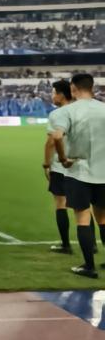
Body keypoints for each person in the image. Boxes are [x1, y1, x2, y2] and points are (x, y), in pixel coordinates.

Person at [52, 72, 105, 278]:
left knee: (83, 218)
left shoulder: (67, 111)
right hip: (103, 171)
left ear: (73, 88)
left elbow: (57, 136)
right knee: (102, 218)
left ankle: (89, 266)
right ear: (92, 88)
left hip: (78, 171)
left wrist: (63, 158)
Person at [44, 80, 74, 254]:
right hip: (80, 164)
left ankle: (65, 245)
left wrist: (46, 163)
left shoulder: (57, 114)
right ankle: (91, 245)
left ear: (61, 94)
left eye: (53, 92)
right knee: (83, 207)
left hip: (60, 165)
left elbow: (51, 141)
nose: (52, 96)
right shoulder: (80, 111)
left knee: (60, 203)